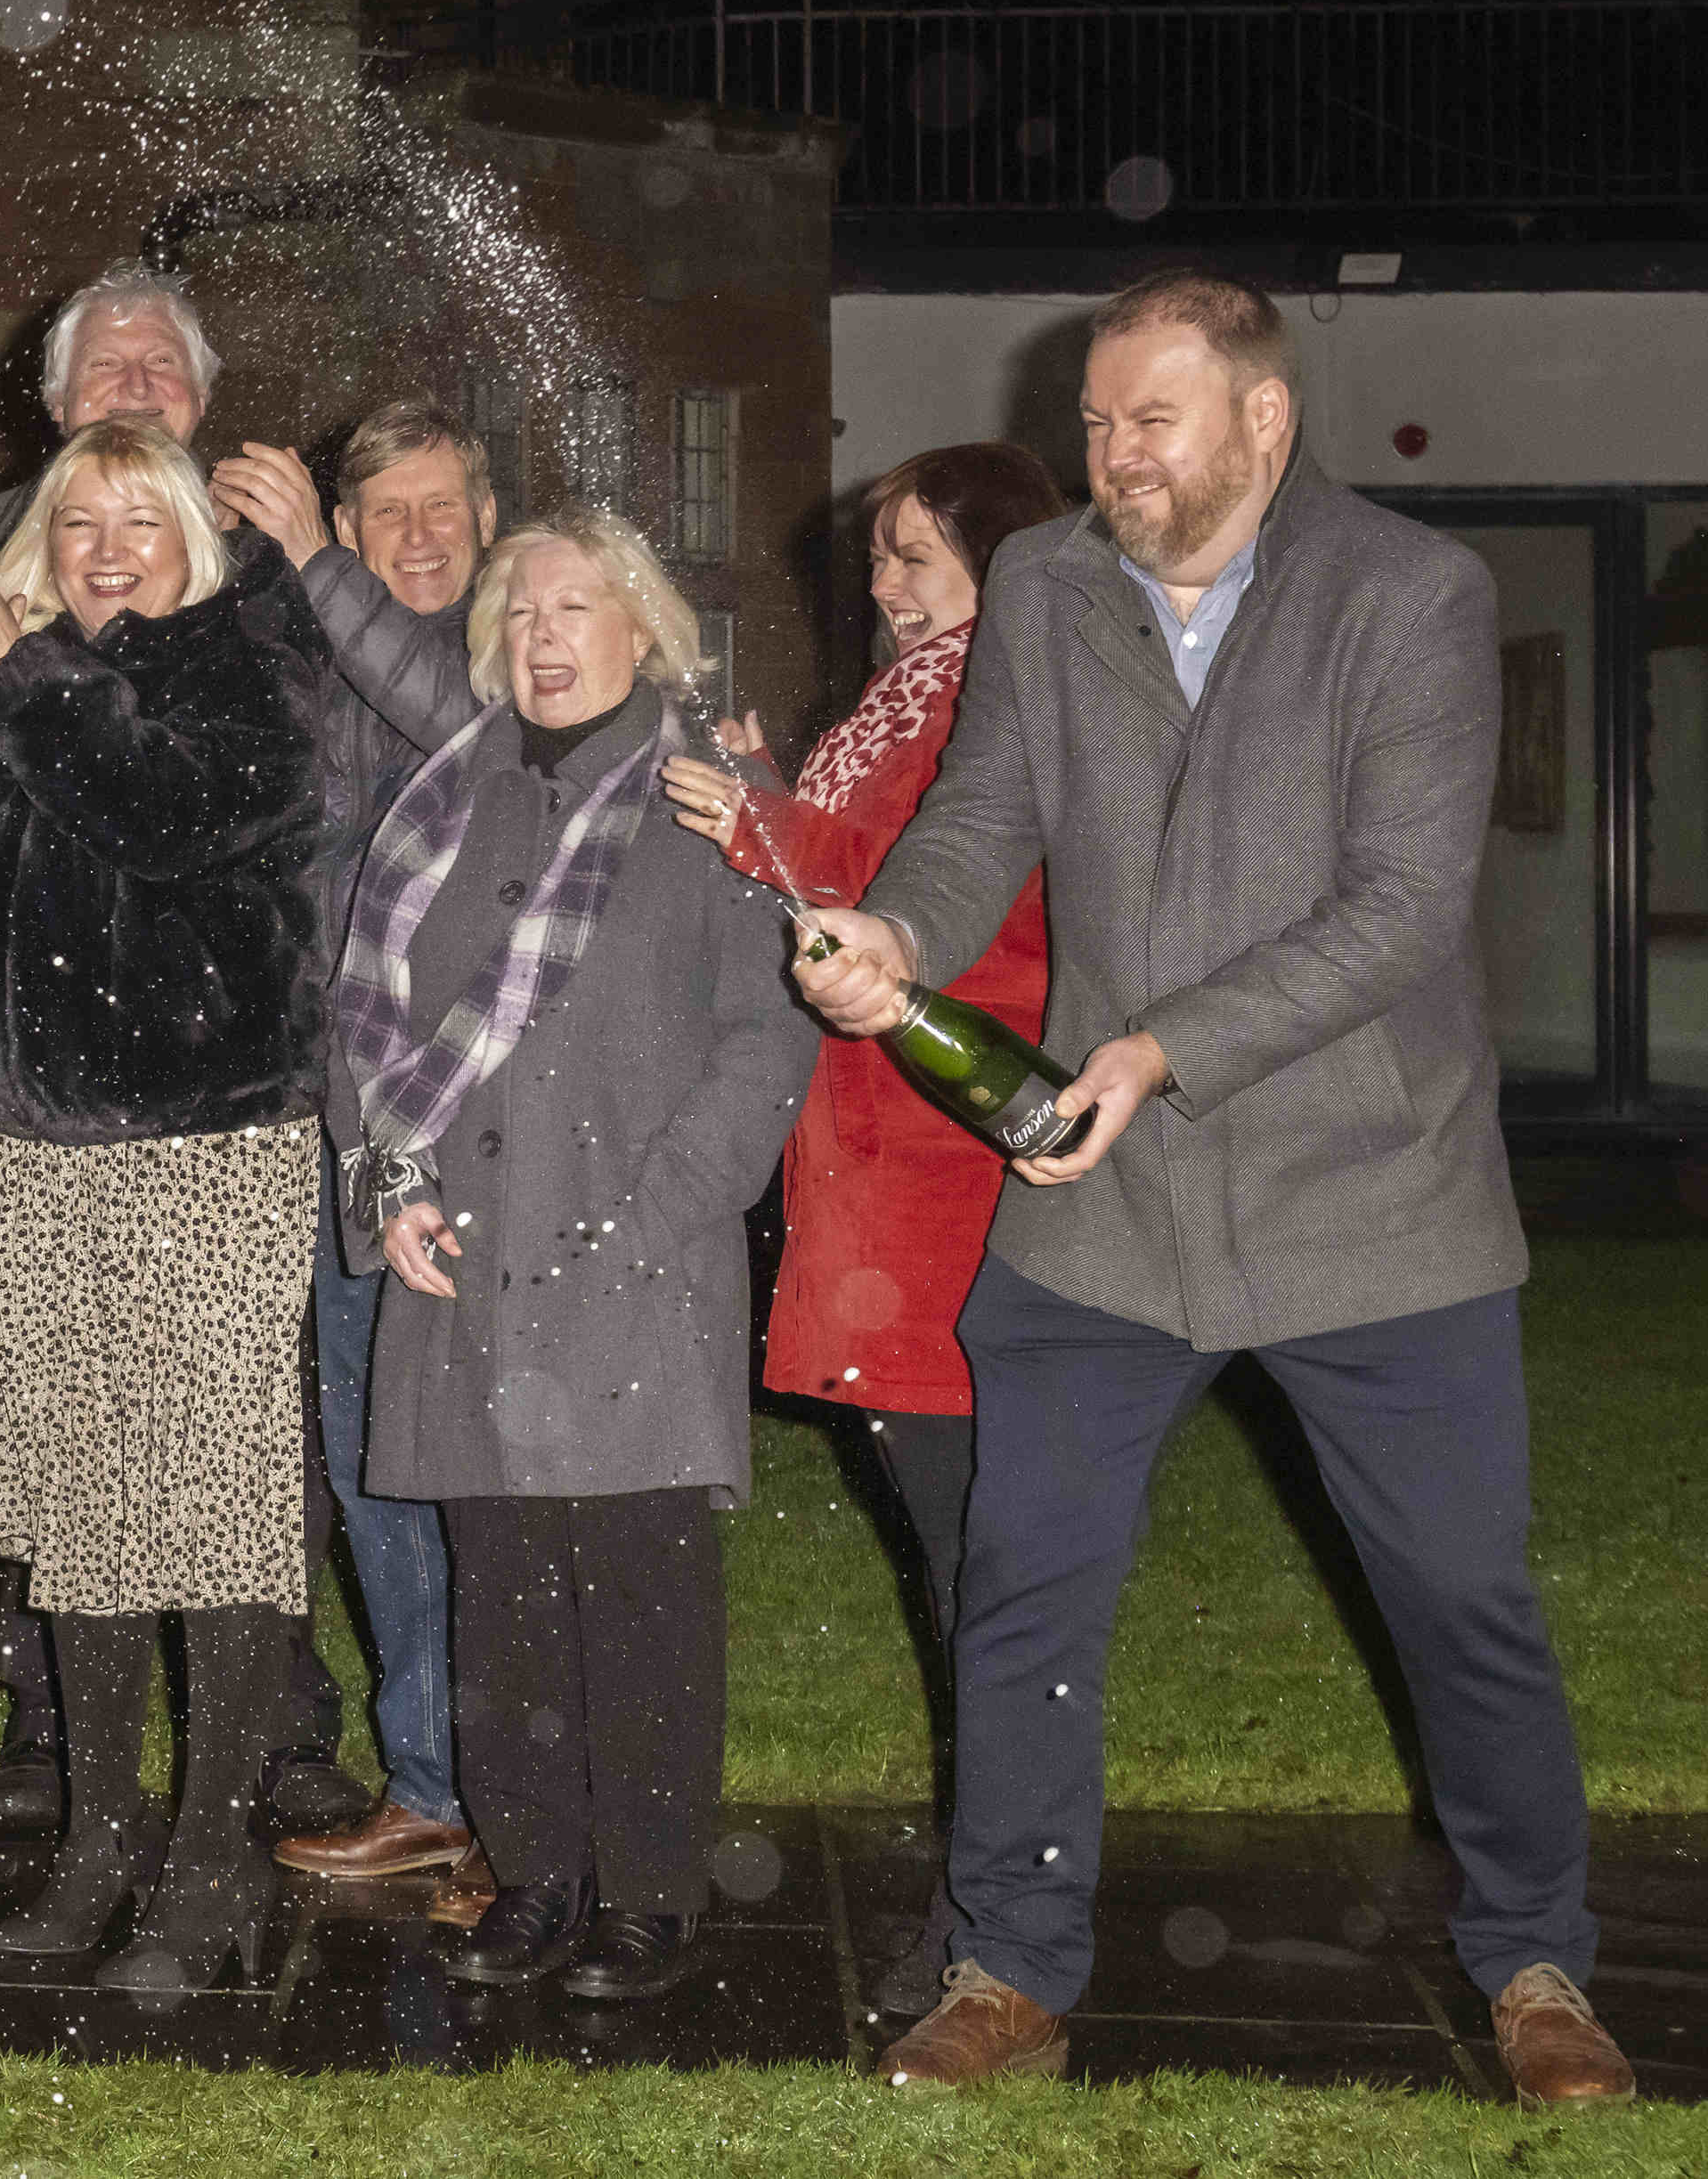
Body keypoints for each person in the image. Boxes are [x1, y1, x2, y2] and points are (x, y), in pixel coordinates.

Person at [798, 271, 1636, 2106]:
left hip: (1373, 1199)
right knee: (1020, 1589)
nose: (1110, 458)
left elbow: (1400, 908)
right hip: (1099, 1214)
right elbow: (980, 814)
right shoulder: (1044, 581)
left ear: (1261, 420)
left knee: (1455, 1597)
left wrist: (1155, 1047)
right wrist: (895, 935)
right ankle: (1009, 1966)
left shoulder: (1408, 595)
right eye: (1092, 421)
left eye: (1146, 419)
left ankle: (1537, 1958)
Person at [0, 262, 371, 1844]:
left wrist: (18, 678)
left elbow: (165, 813)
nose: (110, 554)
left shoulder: (253, 669)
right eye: (80, 527)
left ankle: (212, 1854)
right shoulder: (14, 684)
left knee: (207, 1519)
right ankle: (90, 1830)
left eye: (144, 527)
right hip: (32, 1156)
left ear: (199, 531)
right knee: (71, 1515)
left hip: (206, 1161)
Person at [329, 508, 814, 2004]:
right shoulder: (441, 798)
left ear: (645, 630)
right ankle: (534, 1878)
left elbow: (767, 1034)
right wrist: (387, 1182)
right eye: (521, 614)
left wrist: (661, 1213)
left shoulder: (712, 804)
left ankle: (652, 1890)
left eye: (576, 609)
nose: (544, 639)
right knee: (505, 1601)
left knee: (639, 1592)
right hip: (463, 1259)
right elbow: (368, 1018)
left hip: (633, 1259)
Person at [656, 443, 1058, 1703]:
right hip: (886, 1154)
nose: (885, 580)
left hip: (943, 1163)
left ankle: (1007, 1843)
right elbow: (860, 858)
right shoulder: (916, 692)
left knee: (973, 1529)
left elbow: (916, 888)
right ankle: (1001, 1826)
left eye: (914, 554)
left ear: (994, 561)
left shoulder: (993, 694)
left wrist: (751, 817)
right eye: (879, 554)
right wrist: (769, 793)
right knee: (951, 1517)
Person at [211, 403, 501, 1916]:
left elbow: (452, 713)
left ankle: (520, 1795)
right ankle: (434, 1785)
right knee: (378, 1472)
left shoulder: (529, 659)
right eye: (382, 514)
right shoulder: (312, 652)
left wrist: (319, 558)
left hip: (495, 1147)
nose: (416, 538)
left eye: (440, 508)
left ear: (489, 516)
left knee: (490, 1484)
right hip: (342, 1137)